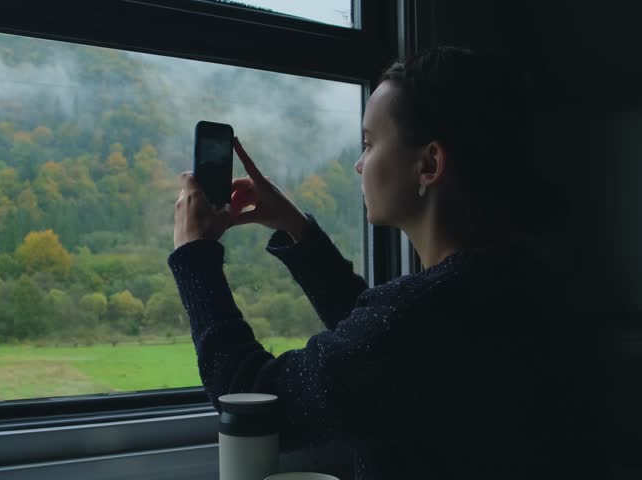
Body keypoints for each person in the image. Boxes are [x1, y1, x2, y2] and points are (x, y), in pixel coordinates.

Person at [168, 46, 598, 479]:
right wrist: (296, 228)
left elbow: (251, 398)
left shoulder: (425, 316)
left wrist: (193, 257)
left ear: (429, 163)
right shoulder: (516, 282)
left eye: (369, 143)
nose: (359, 165)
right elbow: (384, 352)